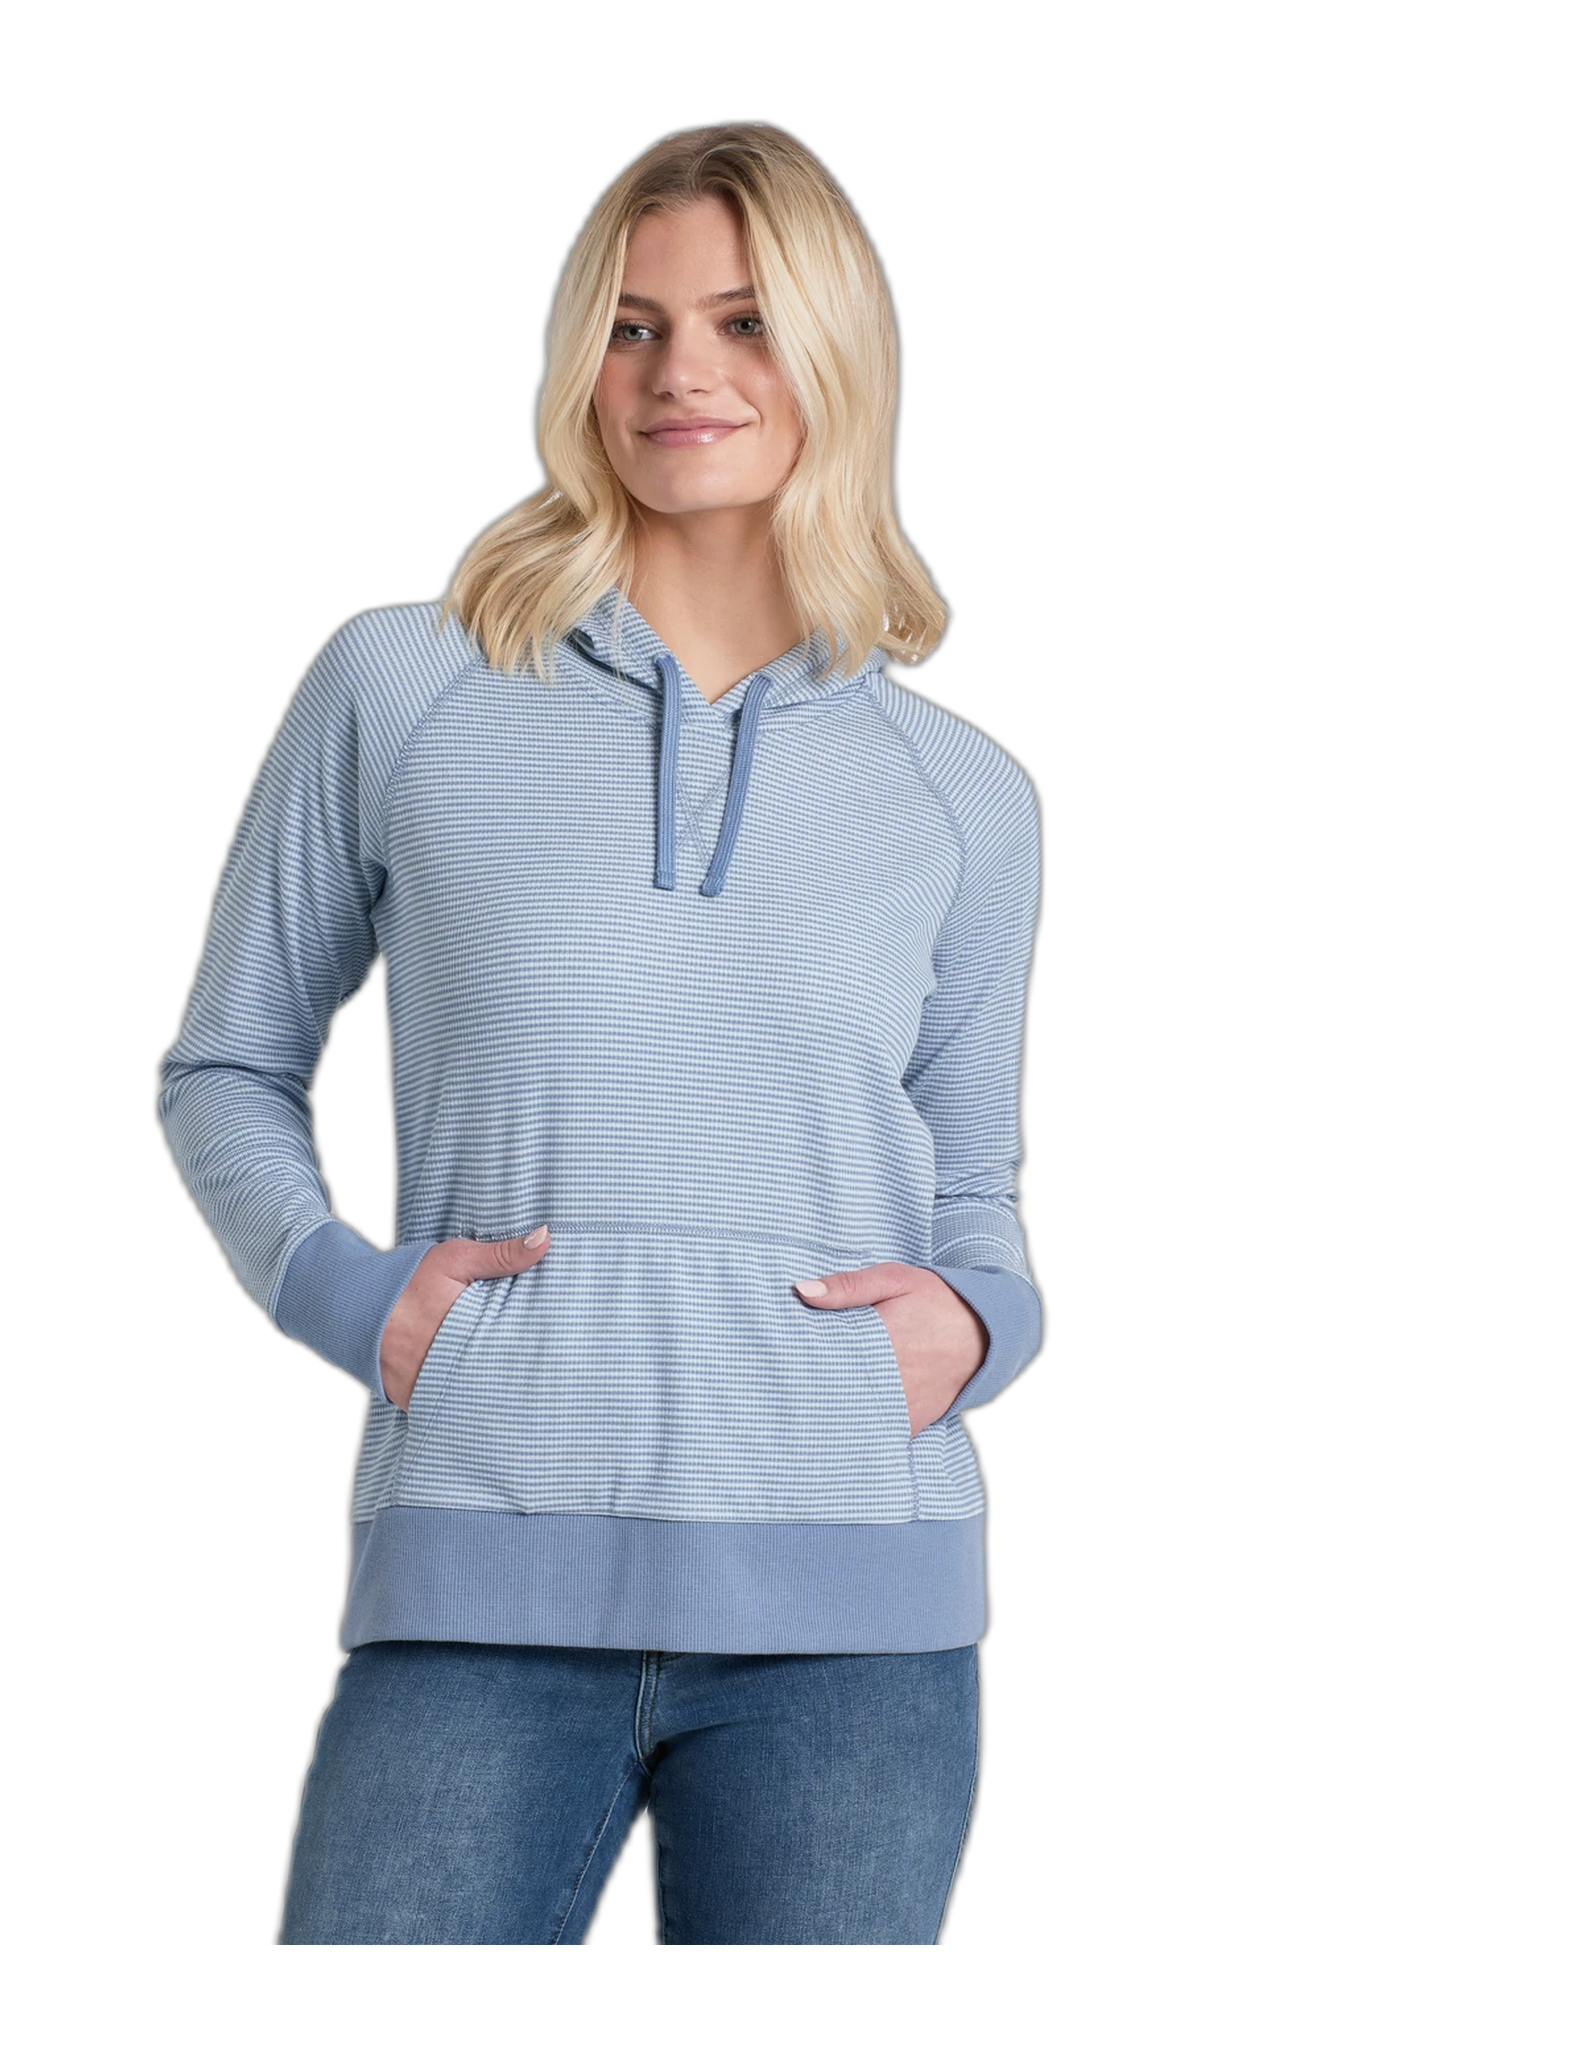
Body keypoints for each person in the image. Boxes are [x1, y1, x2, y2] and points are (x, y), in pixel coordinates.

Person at [156, 120, 1046, 1946]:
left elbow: (973, 1172)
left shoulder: (961, 789)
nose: (679, 373)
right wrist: (353, 1301)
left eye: (742, 321)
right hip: (479, 1572)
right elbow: (228, 1062)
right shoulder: (403, 683)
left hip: (856, 1623)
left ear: (838, 352)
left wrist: (975, 1328)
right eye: (633, 326)